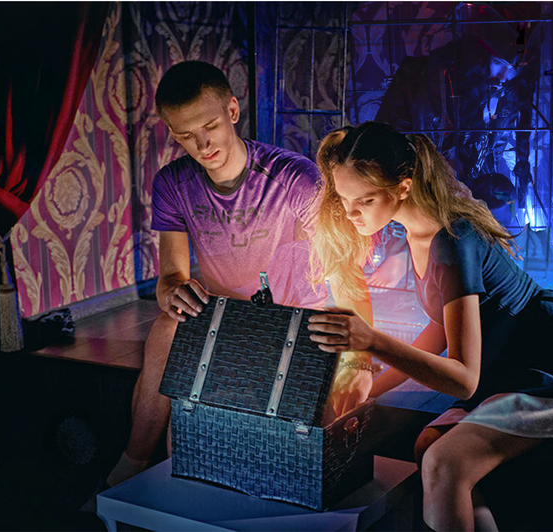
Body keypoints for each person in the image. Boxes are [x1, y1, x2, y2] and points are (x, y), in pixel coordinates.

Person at [306, 121, 553, 531]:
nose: (351, 213)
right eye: (344, 199)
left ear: (403, 187)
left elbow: (464, 380)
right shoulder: (417, 234)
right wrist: (370, 390)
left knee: (444, 461)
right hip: (517, 368)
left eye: (366, 200)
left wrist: (371, 341)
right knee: (429, 445)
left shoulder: (451, 239)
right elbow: (438, 331)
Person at [104, 61, 374, 488]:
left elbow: (344, 272)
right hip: (225, 321)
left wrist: (360, 358)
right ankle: (131, 463)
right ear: (172, 133)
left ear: (232, 110)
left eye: (210, 126)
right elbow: (169, 277)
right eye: (186, 135)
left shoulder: (294, 178)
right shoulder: (172, 183)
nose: (202, 144)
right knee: (166, 331)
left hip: (293, 323)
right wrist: (174, 293)